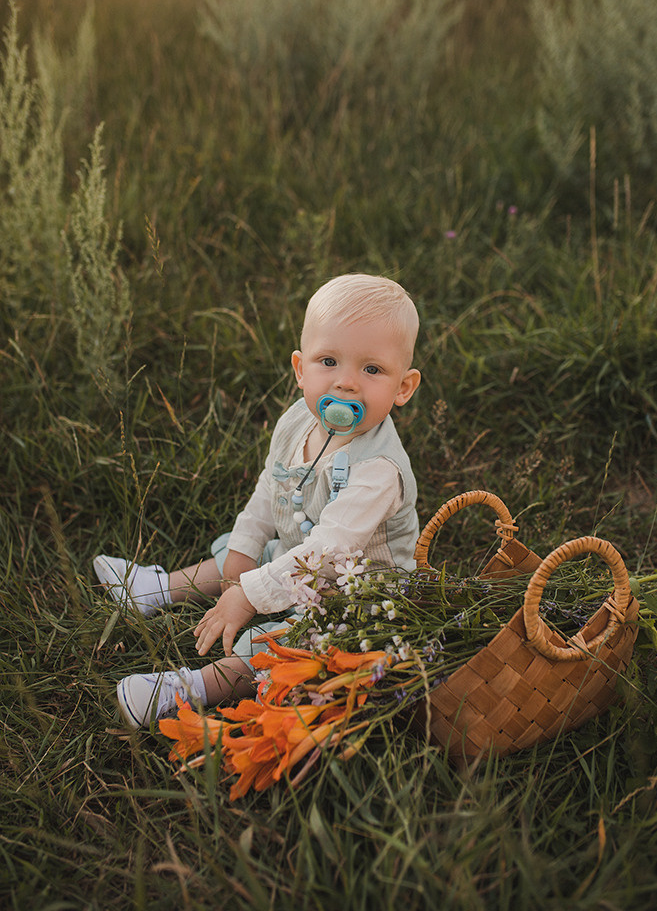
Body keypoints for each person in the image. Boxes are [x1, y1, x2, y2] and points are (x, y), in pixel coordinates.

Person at [97, 273, 421, 728]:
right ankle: (153, 589)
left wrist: (248, 595)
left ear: (403, 387)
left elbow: (326, 551)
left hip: (356, 599)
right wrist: (245, 549)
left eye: (372, 369)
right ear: (300, 369)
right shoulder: (297, 421)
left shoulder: (379, 472)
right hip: (294, 555)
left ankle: (185, 690)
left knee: (287, 648)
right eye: (328, 361)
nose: (346, 383)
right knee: (245, 549)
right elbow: (273, 486)